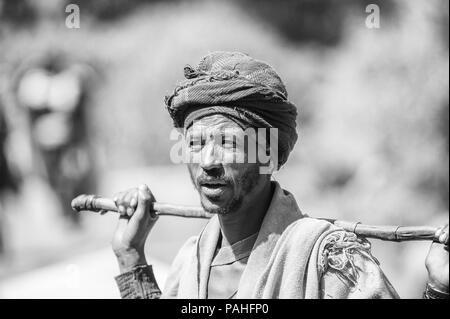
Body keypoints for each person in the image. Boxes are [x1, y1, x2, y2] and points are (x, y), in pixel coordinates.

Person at [111, 52, 449, 299]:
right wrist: (131, 255)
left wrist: (438, 290)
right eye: (196, 143)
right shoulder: (189, 263)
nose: (208, 162)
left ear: (269, 154)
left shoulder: (328, 262)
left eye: (228, 142)